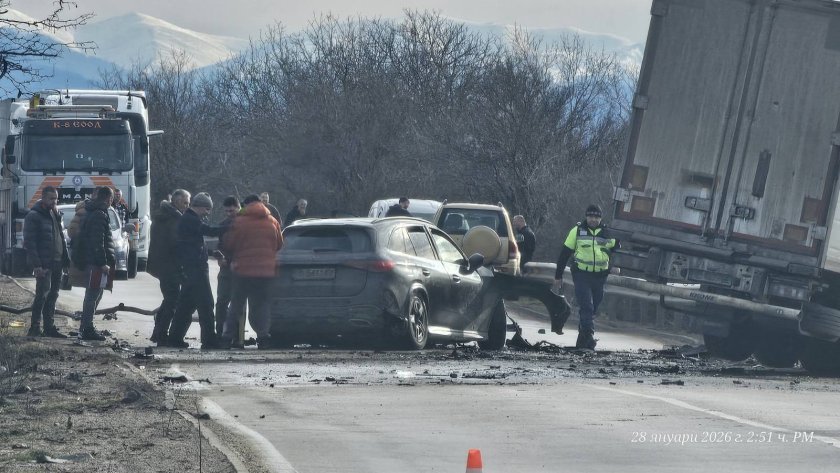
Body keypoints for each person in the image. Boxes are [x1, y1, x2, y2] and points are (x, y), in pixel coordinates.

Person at [221, 194, 283, 349]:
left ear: (246, 205)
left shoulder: (239, 222)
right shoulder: (273, 221)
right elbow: (279, 244)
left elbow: (229, 244)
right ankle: (263, 337)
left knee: (236, 305)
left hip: (243, 271)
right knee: (261, 305)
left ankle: (226, 339)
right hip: (266, 272)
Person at [552, 204, 618, 350]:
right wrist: (558, 275)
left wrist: (615, 266)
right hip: (581, 275)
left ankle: (583, 339)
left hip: (600, 277)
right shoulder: (576, 231)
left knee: (593, 308)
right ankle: (588, 338)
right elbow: (564, 255)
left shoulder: (608, 233)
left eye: (596, 217)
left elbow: (618, 252)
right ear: (586, 217)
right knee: (587, 306)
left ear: (600, 218)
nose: (593, 219)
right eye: (590, 216)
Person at [167, 192, 223, 349]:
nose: (208, 213)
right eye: (207, 209)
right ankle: (209, 341)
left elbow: (194, 243)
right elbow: (209, 230)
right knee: (206, 304)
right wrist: (229, 227)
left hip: (190, 268)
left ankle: (174, 338)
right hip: (196, 269)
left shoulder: (189, 219)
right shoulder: (191, 219)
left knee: (186, 305)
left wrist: (211, 253)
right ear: (199, 207)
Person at [23, 186, 69, 338]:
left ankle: (49, 327)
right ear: (43, 198)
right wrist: (37, 265)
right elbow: (30, 243)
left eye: (56, 199)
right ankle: (35, 328)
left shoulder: (55, 214)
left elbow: (60, 238)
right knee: (41, 295)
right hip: (44, 264)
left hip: (57, 262)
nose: (54, 201)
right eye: (51, 198)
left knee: (53, 295)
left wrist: (65, 260)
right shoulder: (34, 216)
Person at [146, 189, 190, 345]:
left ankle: (159, 333)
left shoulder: (163, 216)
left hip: (162, 265)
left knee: (169, 300)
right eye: (185, 202)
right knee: (172, 300)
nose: (187, 206)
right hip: (170, 265)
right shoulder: (173, 219)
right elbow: (175, 244)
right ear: (177, 202)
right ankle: (161, 334)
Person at [73, 186, 116, 341]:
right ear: (108, 199)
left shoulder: (92, 211)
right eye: (112, 199)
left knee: (93, 295)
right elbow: (97, 242)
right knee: (93, 295)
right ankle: (87, 329)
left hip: (92, 260)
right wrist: (103, 262)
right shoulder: (99, 214)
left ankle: (86, 327)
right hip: (96, 263)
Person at [215, 195, 246, 345]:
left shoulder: (247, 224)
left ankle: (238, 339)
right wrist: (220, 257)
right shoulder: (223, 225)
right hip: (226, 269)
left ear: (239, 207)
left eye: (232, 210)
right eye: (227, 211)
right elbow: (218, 246)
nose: (230, 214)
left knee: (239, 304)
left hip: (241, 269)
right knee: (221, 302)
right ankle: (220, 333)